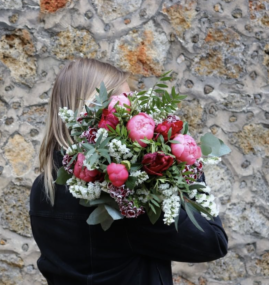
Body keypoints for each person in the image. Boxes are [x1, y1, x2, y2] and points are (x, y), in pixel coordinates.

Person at [29, 58, 228, 285]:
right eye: (125, 101)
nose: (135, 109)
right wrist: (189, 164)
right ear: (98, 111)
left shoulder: (42, 187)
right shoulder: (125, 195)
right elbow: (213, 242)